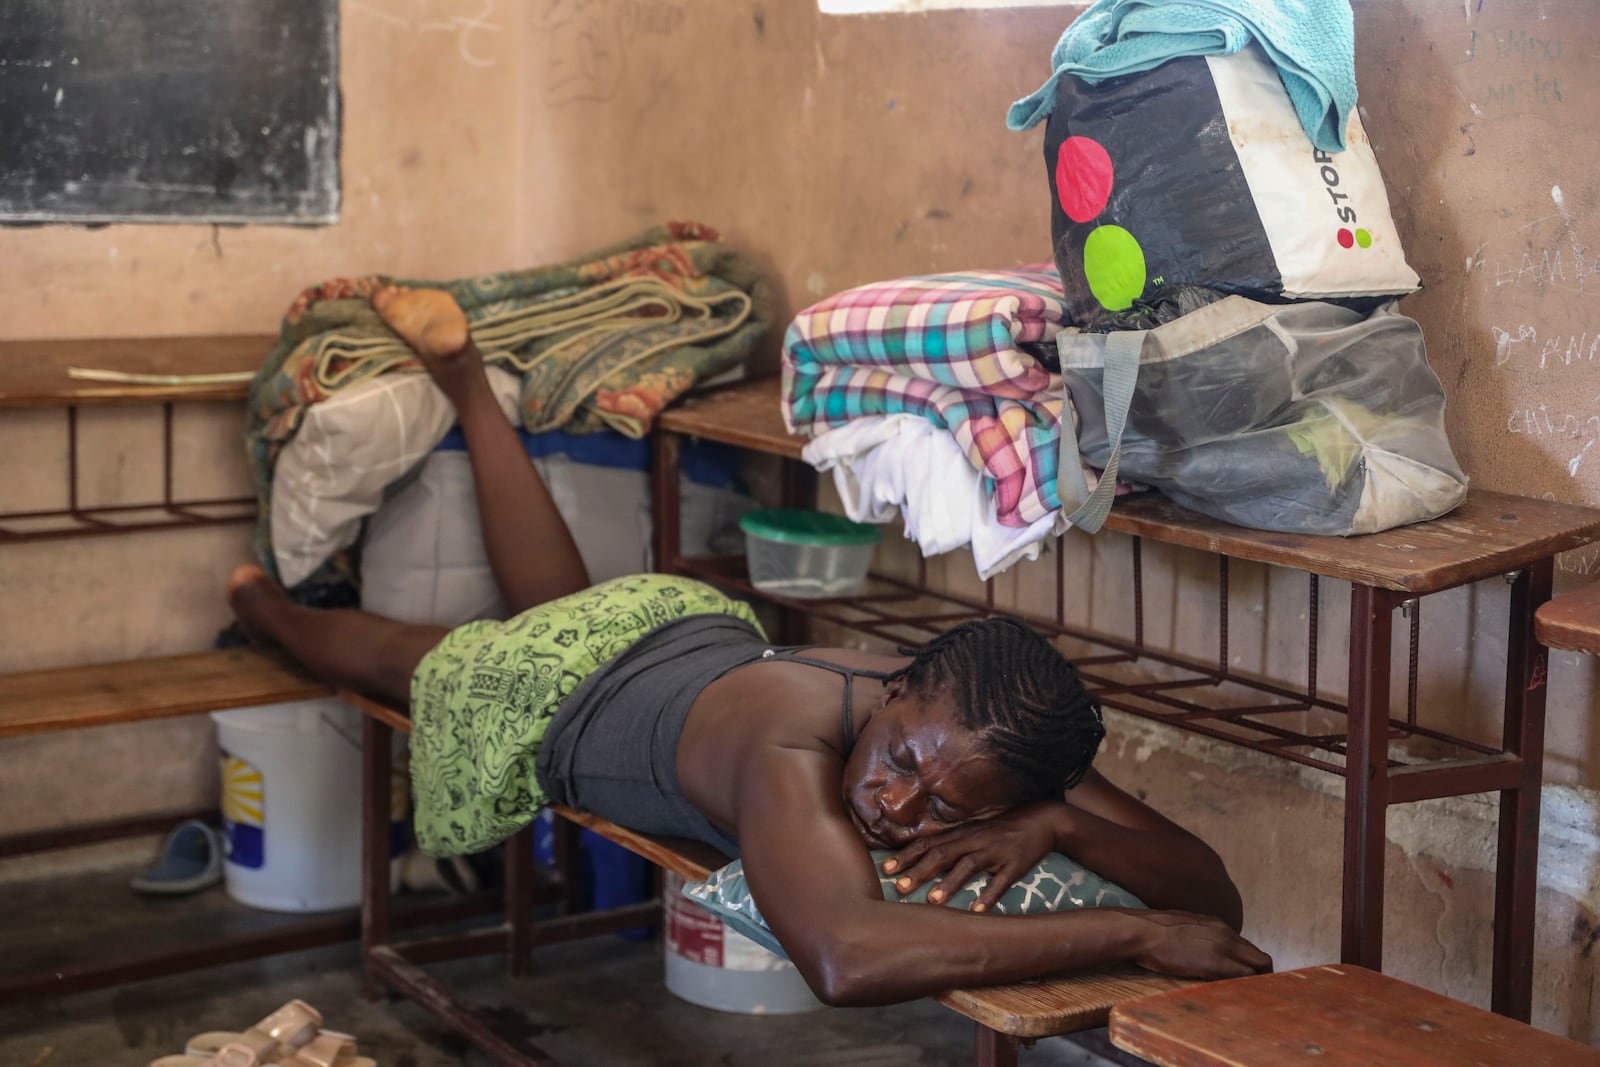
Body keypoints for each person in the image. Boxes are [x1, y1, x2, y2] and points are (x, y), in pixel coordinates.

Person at [228, 286, 1272, 1007]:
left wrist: (1055, 822)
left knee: (554, 602)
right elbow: (843, 955)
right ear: (894, 686)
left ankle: (464, 378)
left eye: (952, 807)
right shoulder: (791, 750)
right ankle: (263, 602)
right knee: (417, 657)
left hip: (673, 624)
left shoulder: (985, 730)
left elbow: (1209, 892)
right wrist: (1132, 932)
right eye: (902, 765)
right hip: (579, 686)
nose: (900, 806)